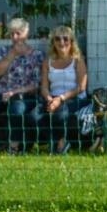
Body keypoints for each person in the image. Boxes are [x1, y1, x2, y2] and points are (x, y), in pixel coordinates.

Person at [0, 17, 43, 153]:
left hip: (25, 94)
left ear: (26, 33)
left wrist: (16, 92)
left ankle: (14, 146)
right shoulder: (3, 51)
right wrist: (11, 55)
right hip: (2, 92)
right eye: (12, 34)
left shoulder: (37, 55)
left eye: (18, 33)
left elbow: (37, 84)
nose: (14, 37)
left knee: (17, 109)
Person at [38, 24, 89, 154]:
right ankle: (54, 141)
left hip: (74, 98)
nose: (62, 42)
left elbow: (81, 87)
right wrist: (50, 99)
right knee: (34, 116)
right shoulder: (47, 62)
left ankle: (61, 143)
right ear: (53, 42)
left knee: (60, 114)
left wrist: (60, 99)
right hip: (53, 97)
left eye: (65, 38)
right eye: (57, 39)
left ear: (71, 42)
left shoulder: (78, 60)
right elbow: (44, 86)